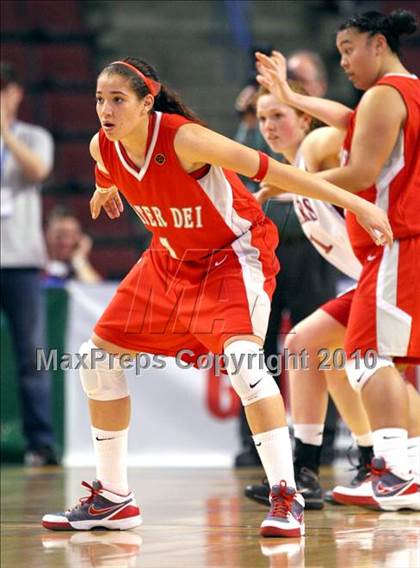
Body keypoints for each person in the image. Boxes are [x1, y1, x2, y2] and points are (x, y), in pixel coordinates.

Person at [41, 57, 392, 536]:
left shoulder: (185, 139)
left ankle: (286, 497)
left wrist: (356, 202)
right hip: (168, 259)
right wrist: (105, 190)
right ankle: (114, 497)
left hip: (232, 254)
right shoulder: (103, 145)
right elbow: (107, 168)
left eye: (118, 99)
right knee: (95, 358)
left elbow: (275, 170)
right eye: (100, 99)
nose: (105, 108)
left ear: (147, 103)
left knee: (247, 365)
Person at [256, 9, 420, 511]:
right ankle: (378, 466)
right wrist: (290, 95)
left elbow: (361, 172)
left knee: (368, 357)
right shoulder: (399, 93)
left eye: (349, 48)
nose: (344, 60)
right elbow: (350, 120)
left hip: (397, 242)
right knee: (312, 340)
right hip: (388, 251)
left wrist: (288, 182)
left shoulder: (385, 94)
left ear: (377, 43)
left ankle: (394, 472)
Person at [243, 83, 373, 509]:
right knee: (322, 356)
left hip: (393, 273)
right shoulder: (292, 174)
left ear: (303, 119)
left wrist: (294, 92)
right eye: (263, 119)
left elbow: (359, 128)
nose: (269, 126)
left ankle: (378, 463)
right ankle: (347, 464)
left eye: (279, 114)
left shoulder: (318, 144)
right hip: (370, 278)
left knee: (333, 358)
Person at [234, 51, 339, 469]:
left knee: (321, 348)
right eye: (264, 117)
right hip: (262, 254)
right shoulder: (259, 128)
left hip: (312, 252)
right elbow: (238, 176)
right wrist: (247, 121)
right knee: (255, 349)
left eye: (298, 79)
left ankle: (322, 445)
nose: (270, 125)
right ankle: (257, 443)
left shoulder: (321, 134)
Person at [0, 61, 58, 466]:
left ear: (16, 94)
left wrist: (3, 131)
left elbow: (37, 171)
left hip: (20, 260)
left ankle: (41, 442)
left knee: (31, 355)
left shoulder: (34, 136)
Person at [45, 205, 102, 284]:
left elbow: (97, 291)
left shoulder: (82, 268)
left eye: (72, 235)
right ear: (47, 235)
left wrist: (79, 260)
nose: (66, 242)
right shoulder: (37, 268)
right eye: (60, 235)